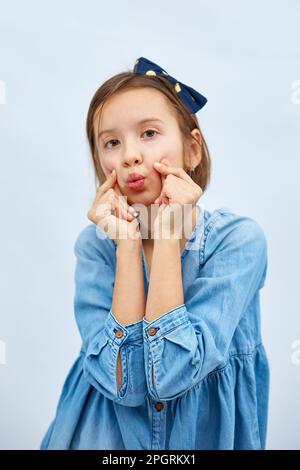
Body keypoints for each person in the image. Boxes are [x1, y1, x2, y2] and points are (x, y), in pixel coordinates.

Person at [40, 57, 269, 450]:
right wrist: (128, 246)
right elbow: (124, 387)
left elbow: (172, 375)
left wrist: (166, 234)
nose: (129, 155)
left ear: (192, 150)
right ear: (101, 164)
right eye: (112, 142)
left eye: (148, 133)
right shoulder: (96, 247)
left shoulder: (238, 242)